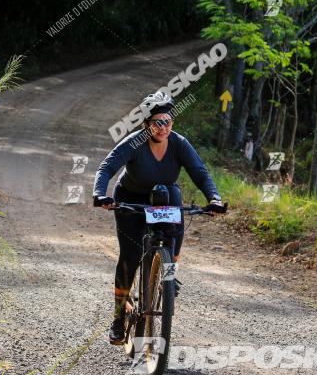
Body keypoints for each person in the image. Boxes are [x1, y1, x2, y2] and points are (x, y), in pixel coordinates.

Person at [92, 91, 225, 344]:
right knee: (130, 257)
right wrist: (100, 194)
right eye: (157, 123)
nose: (163, 127)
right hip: (130, 198)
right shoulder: (134, 143)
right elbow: (107, 167)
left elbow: (200, 172)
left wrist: (214, 199)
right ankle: (119, 319)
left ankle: (168, 272)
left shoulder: (179, 143)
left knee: (174, 225)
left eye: (168, 121)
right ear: (146, 124)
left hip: (163, 198)